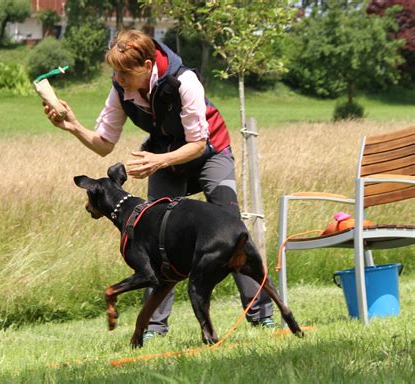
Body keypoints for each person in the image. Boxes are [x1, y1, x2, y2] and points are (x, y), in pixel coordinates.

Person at [44, 29, 275, 338]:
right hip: (165, 155)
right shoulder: (120, 90)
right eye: (116, 71)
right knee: (154, 237)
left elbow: (197, 143)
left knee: (231, 228)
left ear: (149, 65)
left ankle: (261, 315)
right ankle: (154, 328)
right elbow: (103, 144)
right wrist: (72, 126)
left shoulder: (185, 81)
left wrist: (158, 162)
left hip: (210, 152)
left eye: (125, 71)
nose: (118, 77)